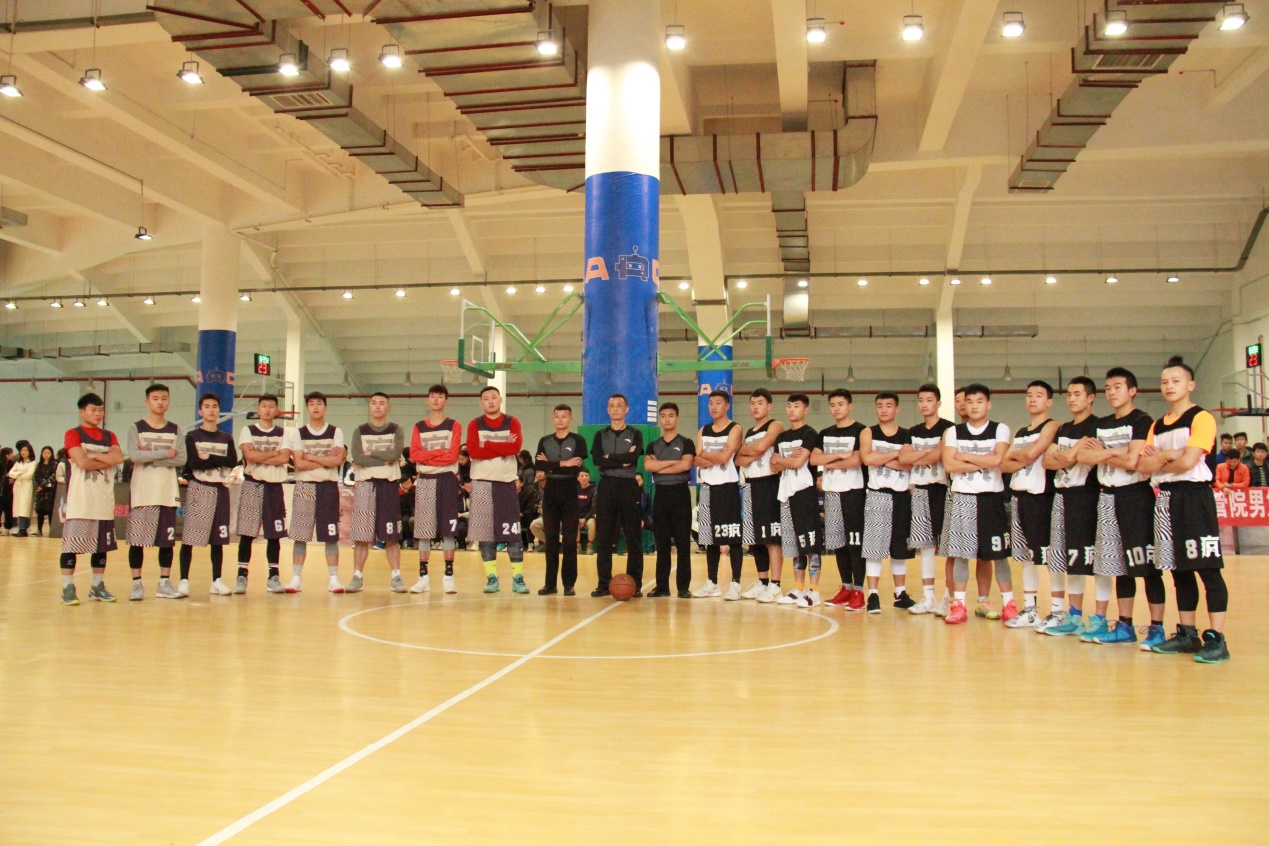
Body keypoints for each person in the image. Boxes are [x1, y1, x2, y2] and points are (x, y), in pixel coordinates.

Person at [1137, 355, 1230, 663]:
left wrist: (1161, 458)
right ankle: (1188, 634)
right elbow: (1143, 467)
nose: (1169, 386)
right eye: (1164, 382)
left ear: (1190, 385)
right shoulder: (1156, 425)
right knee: (1179, 570)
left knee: (1208, 569)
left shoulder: (1201, 418)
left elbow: (1190, 462)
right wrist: (1169, 455)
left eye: (1176, 381)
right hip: (1166, 499)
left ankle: (1217, 639)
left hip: (1195, 497)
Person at [1077, 367, 1167, 647]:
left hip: (1136, 497)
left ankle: (1157, 628)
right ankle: (1125, 626)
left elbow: (1133, 462)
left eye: (1118, 387)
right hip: (1107, 498)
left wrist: (1105, 454)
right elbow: (1084, 456)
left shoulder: (1142, 420)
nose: (1112, 392)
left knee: (1147, 566)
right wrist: (1120, 452)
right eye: (1108, 387)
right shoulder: (1101, 424)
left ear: (1132, 391)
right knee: (1121, 567)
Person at [939, 384, 1011, 625]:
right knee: (962, 555)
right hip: (963, 498)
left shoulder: (1000, 429)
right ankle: (958, 605)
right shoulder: (953, 432)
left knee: (994, 555)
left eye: (979, 401)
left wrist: (966, 457)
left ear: (988, 404)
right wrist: (984, 461)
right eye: (969, 402)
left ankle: (993, 602)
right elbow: (950, 465)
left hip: (992, 498)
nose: (974, 406)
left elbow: (998, 460)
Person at [1041, 377, 1104, 637]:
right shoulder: (1064, 428)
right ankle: (1074, 615)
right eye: (1068, 394)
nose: (1071, 399)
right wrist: (1072, 453)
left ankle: (1100, 618)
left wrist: (1066, 456)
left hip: (1088, 497)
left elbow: (1070, 458)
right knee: (1070, 559)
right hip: (1062, 496)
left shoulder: (1098, 426)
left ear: (1090, 397)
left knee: (1097, 560)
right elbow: (1048, 461)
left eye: (1077, 394)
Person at [1000, 381, 1059, 629]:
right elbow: (1004, 464)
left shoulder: (1052, 425)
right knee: (1026, 558)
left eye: (1039, 395)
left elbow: (1032, 455)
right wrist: (1022, 456)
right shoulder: (1021, 431)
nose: (1032, 399)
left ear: (1049, 401)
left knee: (1049, 557)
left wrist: (1021, 456)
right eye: (1029, 395)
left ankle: (1057, 610)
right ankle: (1030, 609)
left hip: (1041, 498)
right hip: (1019, 498)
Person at [59, 393, 126, 605]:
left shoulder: (110, 436)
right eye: (93, 410)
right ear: (82, 412)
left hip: (104, 500)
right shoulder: (73, 434)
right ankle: (67, 588)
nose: (97, 414)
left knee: (102, 547)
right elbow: (82, 463)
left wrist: (94, 456)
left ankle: (97, 586)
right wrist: (106, 459)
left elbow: (119, 458)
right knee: (71, 546)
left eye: (100, 410)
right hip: (80, 500)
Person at [124, 384, 187, 600]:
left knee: (167, 542)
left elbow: (181, 458)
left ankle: (164, 583)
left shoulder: (176, 429)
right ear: (147, 402)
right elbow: (134, 456)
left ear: (169, 401)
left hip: (167, 493)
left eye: (164, 398)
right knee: (136, 542)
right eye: (155, 398)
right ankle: (137, 584)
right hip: (142, 493)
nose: (160, 402)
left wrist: (150, 456)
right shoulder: (136, 428)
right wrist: (165, 453)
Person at [467, 386, 528, 593]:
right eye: (486, 398)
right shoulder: (474, 424)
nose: (490, 401)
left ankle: (518, 578)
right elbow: (473, 452)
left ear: (500, 399)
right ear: (481, 403)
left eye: (494, 397)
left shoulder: (513, 422)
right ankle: (491, 577)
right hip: (481, 482)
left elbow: (515, 448)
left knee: (512, 532)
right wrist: (502, 446)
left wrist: (486, 443)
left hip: (506, 482)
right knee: (485, 534)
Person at [859, 392, 915, 612]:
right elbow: (867, 458)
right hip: (877, 494)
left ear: (897, 409)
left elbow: (908, 464)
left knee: (899, 547)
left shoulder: (907, 434)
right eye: (880, 405)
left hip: (901, 495)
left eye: (888, 405)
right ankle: (873, 595)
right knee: (873, 548)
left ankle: (900, 594)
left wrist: (881, 459)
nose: (883, 409)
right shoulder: (868, 432)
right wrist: (895, 454)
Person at [812, 388, 867, 611]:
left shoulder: (861, 430)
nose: (836, 409)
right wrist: (839, 456)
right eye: (833, 405)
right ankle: (846, 587)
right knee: (838, 544)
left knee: (855, 543)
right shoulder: (825, 433)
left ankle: (859, 591)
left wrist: (829, 462)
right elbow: (814, 458)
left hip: (853, 492)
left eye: (840, 404)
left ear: (850, 406)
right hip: (832, 493)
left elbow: (856, 460)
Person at [286, 391, 347, 593]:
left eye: (319, 403)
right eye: (311, 403)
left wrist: (310, 456)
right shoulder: (299, 433)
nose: (315, 407)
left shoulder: (336, 432)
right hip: (304, 487)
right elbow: (299, 464)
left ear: (325, 407)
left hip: (328, 487)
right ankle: (296, 578)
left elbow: (336, 461)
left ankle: (334, 578)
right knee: (300, 535)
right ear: (307, 408)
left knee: (330, 535)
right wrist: (324, 460)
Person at [180, 393, 238, 595]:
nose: (211, 410)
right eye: (207, 406)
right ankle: (184, 580)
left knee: (218, 539)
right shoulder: (192, 436)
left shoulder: (227, 438)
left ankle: (217, 580)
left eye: (214, 406)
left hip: (221, 488)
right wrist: (218, 460)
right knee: (190, 537)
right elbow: (194, 463)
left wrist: (210, 457)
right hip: (199, 488)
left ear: (218, 410)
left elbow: (232, 461)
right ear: (200, 411)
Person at [905, 384, 955, 615]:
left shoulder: (949, 428)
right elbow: (904, 458)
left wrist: (919, 456)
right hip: (919, 491)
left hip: (943, 490)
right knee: (924, 547)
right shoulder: (912, 431)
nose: (924, 404)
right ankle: (928, 597)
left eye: (929, 400)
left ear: (938, 403)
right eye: (921, 400)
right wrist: (927, 455)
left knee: (948, 547)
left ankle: (949, 598)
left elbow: (938, 456)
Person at [348, 392, 406, 593]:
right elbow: (357, 457)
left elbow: (395, 454)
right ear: (369, 406)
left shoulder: (396, 430)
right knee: (361, 536)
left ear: (388, 406)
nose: (378, 406)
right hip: (365, 485)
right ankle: (357, 576)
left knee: (392, 536)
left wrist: (371, 453)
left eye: (382, 403)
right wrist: (384, 459)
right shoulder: (360, 431)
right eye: (374, 403)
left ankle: (396, 577)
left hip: (388, 485)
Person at [409, 384, 464, 594]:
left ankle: (448, 577)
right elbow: (415, 454)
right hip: (425, 480)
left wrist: (429, 457)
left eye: (440, 396)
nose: (436, 399)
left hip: (447, 480)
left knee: (449, 530)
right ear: (428, 400)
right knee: (424, 531)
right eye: (432, 396)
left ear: (446, 401)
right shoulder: (418, 427)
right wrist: (440, 453)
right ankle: (423, 578)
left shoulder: (454, 425)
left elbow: (453, 455)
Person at [235, 394, 291, 594]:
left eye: (271, 406)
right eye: (264, 406)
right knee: (247, 533)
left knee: (274, 534)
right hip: (253, 484)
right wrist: (273, 453)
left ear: (277, 410)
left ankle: (273, 576)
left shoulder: (283, 433)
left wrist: (260, 456)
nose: (267, 410)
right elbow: (249, 455)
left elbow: (284, 458)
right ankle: (242, 575)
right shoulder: (248, 430)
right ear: (258, 409)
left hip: (274, 487)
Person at [590, 393, 645, 597]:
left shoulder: (636, 433)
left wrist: (610, 457)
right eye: (611, 405)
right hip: (607, 486)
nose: (615, 408)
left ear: (626, 409)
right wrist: (621, 460)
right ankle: (603, 583)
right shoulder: (600, 435)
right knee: (604, 537)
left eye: (619, 405)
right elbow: (597, 460)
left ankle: (635, 584)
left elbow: (633, 457)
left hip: (629, 486)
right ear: (608, 410)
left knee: (633, 537)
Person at [772, 393, 823, 607]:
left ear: (805, 409)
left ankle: (814, 591)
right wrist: (788, 459)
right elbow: (773, 465)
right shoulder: (781, 437)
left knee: (810, 544)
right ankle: (799, 588)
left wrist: (785, 460)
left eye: (796, 406)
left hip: (804, 493)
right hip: (786, 494)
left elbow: (799, 462)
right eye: (789, 406)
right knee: (794, 544)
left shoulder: (810, 433)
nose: (792, 410)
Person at [532, 403, 588, 595]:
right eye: (557, 416)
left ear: (571, 419)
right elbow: (539, 465)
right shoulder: (545, 441)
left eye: (564, 416)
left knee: (570, 540)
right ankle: (550, 584)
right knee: (551, 539)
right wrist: (564, 462)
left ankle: (569, 584)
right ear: (553, 419)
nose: (560, 420)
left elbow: (576, 466)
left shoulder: (578, 440)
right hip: (551, 491)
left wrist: (551, 464)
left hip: (570, 489)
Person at [693, 390, 744, 599]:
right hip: (707, 488)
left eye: (718, 403)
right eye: (711, 403)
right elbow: (696, 459)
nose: (713, 407)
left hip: (728, 487)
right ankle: (712, 582)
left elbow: (725, 458)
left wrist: (707, 455)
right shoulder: (703, 430)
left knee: (733, 537)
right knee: (709, 538)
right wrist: (715, 455)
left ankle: (736, 583)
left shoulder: (735, 428)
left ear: (727, 405)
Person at [641, 402, 696, 598]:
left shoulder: (687, 442)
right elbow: (648, 466)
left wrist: (660, 466)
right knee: (662, 543)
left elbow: (685, 465)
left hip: (680, 493)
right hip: (661, 494)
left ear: (677, 418)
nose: (666, 419)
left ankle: (683, 587)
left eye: (670, 415)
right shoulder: (652, 444)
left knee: (683, 543)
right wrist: (673, 462)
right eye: (663, 416)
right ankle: (662, 586)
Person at [737, 388, 786, 602]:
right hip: (750, 485)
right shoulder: (749, 431)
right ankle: (763, 581)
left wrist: (750, 451)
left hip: (769, 484)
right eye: (752, 403)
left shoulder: (775, 425)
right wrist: (752, 452)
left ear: (769, 405)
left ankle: (776, 585)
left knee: (772, 538)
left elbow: (762, 447)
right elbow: (738, 458)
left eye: (760, 403)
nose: (755, 407)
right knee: (755, 538)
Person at [6, 441, 36, 537]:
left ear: (30, 452)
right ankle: (21, 529)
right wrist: (19, 474)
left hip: (27, 486)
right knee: (19, 507)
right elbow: (10, 473)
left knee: (25, 507)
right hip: (18, 486)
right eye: (22, 450)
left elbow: (29, 475)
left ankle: (23, 529)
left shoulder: (33, 463)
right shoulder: (18, 462)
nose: (23, 452)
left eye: (26, 450)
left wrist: (17, 475)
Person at [32, 445, 57, 537]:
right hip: (40, 492)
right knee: (40, 511)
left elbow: (53, 476)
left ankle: (51, 530)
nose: (46, 455)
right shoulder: (39, 464)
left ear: (51, 454)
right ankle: (39, 530)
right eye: (44, 453)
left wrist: (43, 485)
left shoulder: (55, 464)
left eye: (48, 453)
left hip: (49, 491)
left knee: (50, 511)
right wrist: (37, 486)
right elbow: (34, 476)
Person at [577, 469, 597, 553]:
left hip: (589, 517)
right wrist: (578, 518)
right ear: (578, 478)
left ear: (589, 478)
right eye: (582, 476)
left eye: (586, 476)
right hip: (578, 516)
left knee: (592, 523)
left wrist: (585, 519)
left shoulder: (595, 490)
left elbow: (594, 508)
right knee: (572, 522)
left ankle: (590, 545)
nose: (584, 478)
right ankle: (578, 545)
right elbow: (572, 506)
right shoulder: (574, 489)